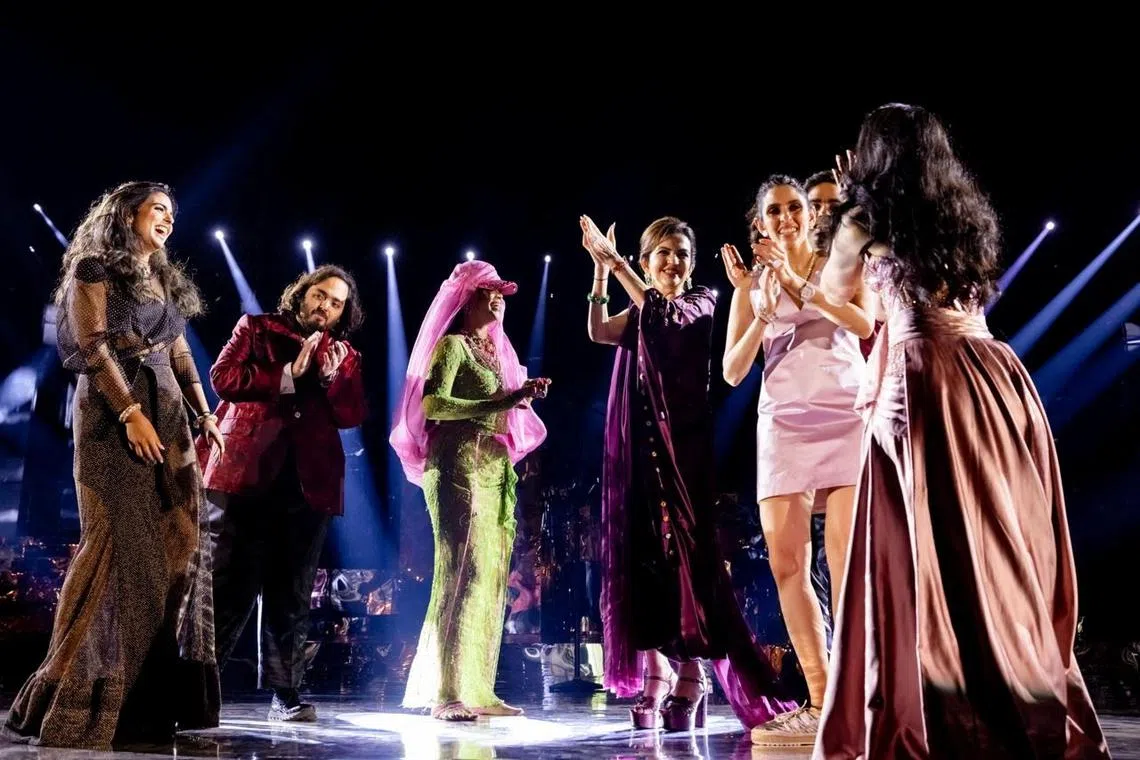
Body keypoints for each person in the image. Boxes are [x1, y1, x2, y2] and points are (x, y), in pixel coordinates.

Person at [814, 103, 1110, 758]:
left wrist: (839, 213)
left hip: (923, 379)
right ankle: (1009, 687)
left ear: (872, 155)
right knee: (994, 540)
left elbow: (834, 283)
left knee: (929, 548)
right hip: (994, 376)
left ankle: (939, 705)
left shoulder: (865, 216)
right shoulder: (963, 215)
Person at [4, 182, 220, 748]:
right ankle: (74, 695)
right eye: (158, 209)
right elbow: (92, 347)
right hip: (113, 417)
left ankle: (143, 696)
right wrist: (129, 411)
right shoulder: (94, 266)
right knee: (116, 547)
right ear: (128, 213)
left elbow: (176, 350)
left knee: (175, 547)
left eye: (174, 212)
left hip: (169, 415)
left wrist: (204, 412)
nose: (169, 219)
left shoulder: (163, 278)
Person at [582, 214, 796, 732]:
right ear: (646, 260)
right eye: (664, 253)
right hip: (638, 455)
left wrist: (618, 266)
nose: (673, 262)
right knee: (645, 563)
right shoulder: (639, 311)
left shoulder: (701, 303)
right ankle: (656, 675)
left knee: (688, 565)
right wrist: (601, 273)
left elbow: (664, 317)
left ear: (692, 264)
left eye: (681, 253)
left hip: (684, 455)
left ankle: (691, 678)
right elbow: (597, 331)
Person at [722, 175, 872, 747]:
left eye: (795, 208)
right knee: (788, 565)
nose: (786, 218)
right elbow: (734, 372)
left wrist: (799, 287)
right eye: (775, 211)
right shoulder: (749, 287)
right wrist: (762, 309)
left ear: (811, 215)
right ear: (759, 223)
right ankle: (820, 696)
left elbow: (863, 324)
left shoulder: (841, 263)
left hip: (844, 415)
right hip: (783, 423)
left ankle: (863, 688)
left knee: (844, 562)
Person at [202, 264, 366, 722]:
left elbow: (353, 414)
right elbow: (222, 379)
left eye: (336, 303)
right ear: (301, 294)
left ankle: (285, 692)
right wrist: (288, 374)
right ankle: (196, 687)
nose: (326, 307)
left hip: (307, 485)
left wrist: (332, 382)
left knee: (292, 593)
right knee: (228, 587)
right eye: (320, 295)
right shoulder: (256, 329)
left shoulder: (346, 355)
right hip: (245, 476)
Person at [390, 260, 550, 721]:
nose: (498, 299)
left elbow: (505, 407)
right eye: (488, 292)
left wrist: (522, 394)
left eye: (501, 293)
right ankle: (445, 693)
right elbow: (434, 403)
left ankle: (477, 687)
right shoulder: (452, 345)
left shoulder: (497, 352)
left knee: (488, 573)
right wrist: (504, 400)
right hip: (455, 460)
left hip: (493, 465)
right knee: (458, 571)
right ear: (467, 299)